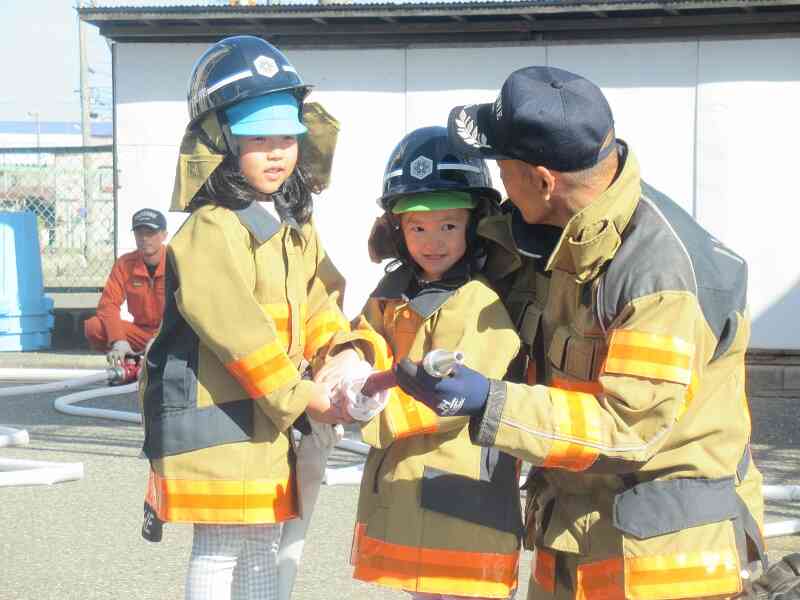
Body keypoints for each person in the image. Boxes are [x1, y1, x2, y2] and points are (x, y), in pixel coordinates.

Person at [394, 66, 766, 599]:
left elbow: (627, 428)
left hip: (664, 569)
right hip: (579, 538)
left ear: (544, 180)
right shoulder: (560, 233)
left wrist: (489, 402)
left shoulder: (658, 279)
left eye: (503, 167)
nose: (499, 182)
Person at [138, 35, 366, 600]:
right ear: (219, 141)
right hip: (223, 426)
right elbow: (238, 331)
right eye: (257, 137)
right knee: (219, 548)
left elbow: (319, 296)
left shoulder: (291, 221)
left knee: (261, 544)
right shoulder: (212, 229)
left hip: (266, 422)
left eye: (286, 136)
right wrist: (303, 394)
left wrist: (338, 353)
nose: (277, 151)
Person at [326, 126, 523, 600]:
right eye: (417, 227)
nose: (432, 242)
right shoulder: (392, 293)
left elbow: (450, 396)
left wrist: (374, 412)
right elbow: (362, 334)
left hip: (462, 499)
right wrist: (353, 362)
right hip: (411, 493)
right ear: (398, 229)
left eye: (448, 226)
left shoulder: (478, 303)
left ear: (474, 225)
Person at [84, 208, 167, 365]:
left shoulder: (175, 262)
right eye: (139, 233)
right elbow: (108, 305)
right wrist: (118, 340)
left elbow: (186, 311)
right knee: (94, 327)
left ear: (164, 235)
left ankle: (161, 356)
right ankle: (129, 360)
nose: (144, 238)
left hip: (169, 333)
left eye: (150, 233)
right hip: (140, 333)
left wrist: (160, 337)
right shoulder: (125, 264)